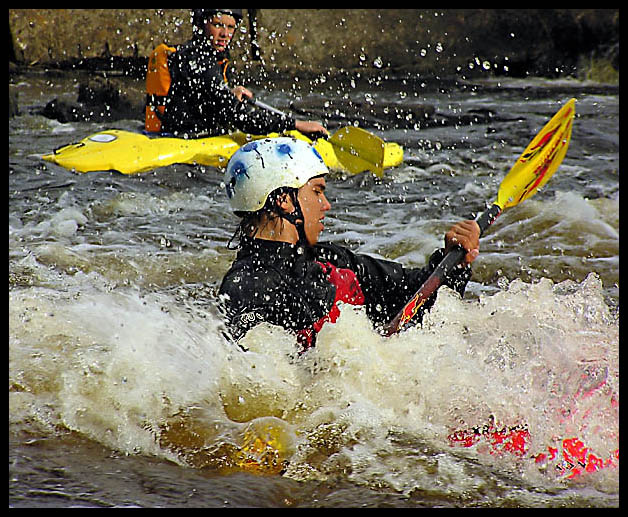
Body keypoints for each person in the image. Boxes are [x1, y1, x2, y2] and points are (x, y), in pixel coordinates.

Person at [218, 137, 480, 351]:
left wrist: (452, 262)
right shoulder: (246, 287)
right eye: (317, 191)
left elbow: (418, 294)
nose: (326, 205)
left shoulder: (332, 261)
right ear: (284, 199)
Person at [160, 9, 327, 138]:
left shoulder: (196, 54)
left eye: (231, 27)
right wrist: (296, 124)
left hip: (180, 132)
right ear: (202, 24)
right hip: (183, 138)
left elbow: (206, 98)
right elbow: (241, 118)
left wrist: (228, 94)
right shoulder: (200, 61)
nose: (225, 34)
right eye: (217, 25)